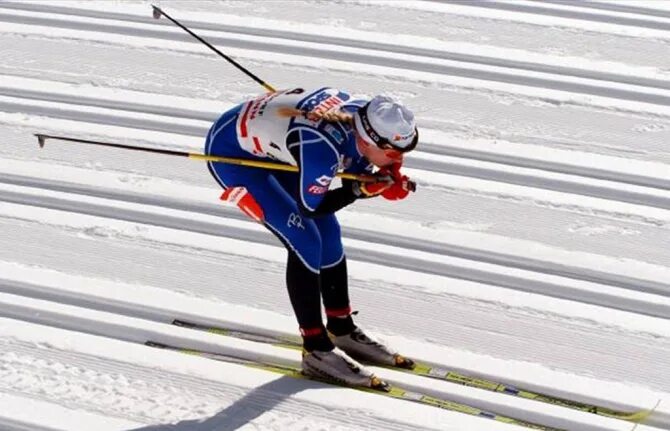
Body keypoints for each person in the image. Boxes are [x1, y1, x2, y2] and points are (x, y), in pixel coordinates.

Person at [204, 87, 418, 388]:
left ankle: (341, 328)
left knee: (329, 237)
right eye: (395, 154)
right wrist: (360, 190)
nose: (400, 159)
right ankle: (315, 348)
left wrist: (386, 177)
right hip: (232, 155)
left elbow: (357, 163)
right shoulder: (321, 150)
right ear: (369, 140)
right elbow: (312, 207)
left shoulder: (361, 124)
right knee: (305, 240)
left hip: (276, 145)